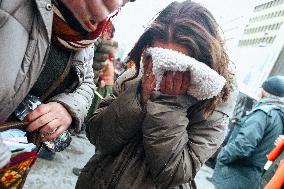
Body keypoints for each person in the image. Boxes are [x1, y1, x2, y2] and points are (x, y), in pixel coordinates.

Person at [76, 1, 237, 188]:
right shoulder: (135, 77)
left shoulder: (215, 104)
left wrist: (168, 106)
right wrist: (138, 99)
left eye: (178, 67)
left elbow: (175, 172)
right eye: (161, 60)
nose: (165, 74)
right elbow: (97, 136)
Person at [0, 0, 134, 165]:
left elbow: (87, 84)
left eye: (125, 3)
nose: (115, 5)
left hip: (18, 152)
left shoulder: (87, 42)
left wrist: (67, 107)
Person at [212, 75, 284, 189]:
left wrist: (222, 155)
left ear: (264, 92)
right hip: (252, 177)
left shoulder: (263, 113)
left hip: (235, 175)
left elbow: (243, 146)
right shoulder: (278, 115)